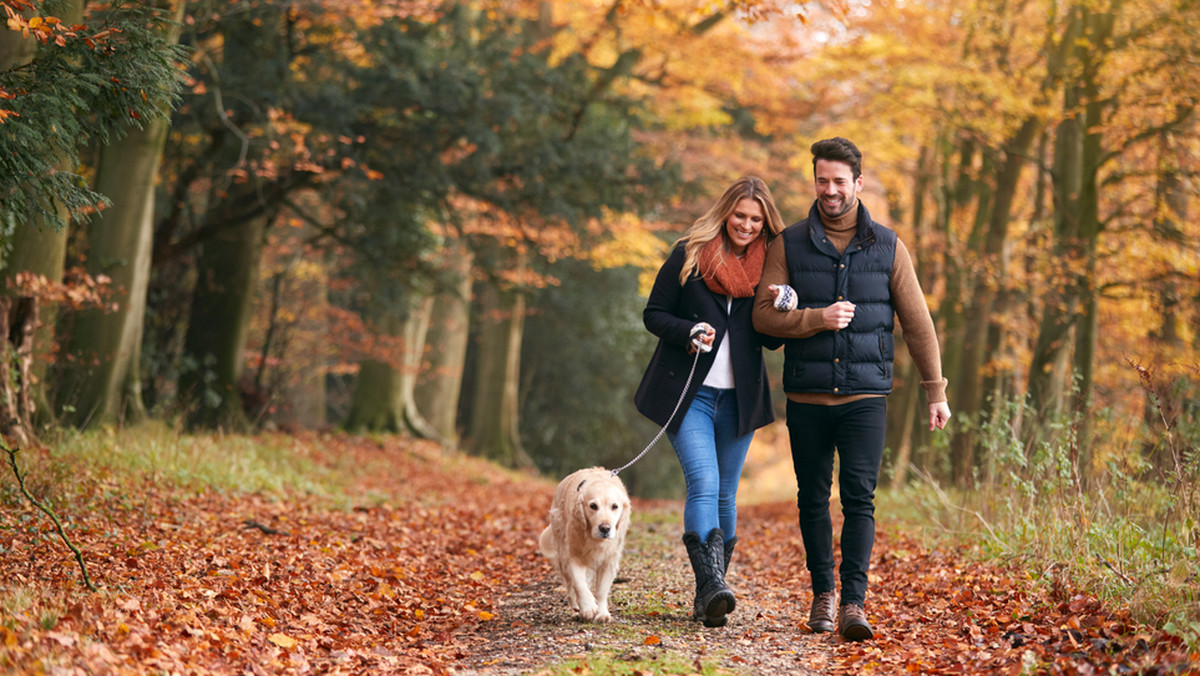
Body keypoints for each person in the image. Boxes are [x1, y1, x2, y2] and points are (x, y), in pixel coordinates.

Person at [752, 138, 951, 642]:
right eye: (823, 180)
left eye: (840, 181)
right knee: (813, 499)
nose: (831, 190)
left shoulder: (888, 247)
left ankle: (854, 604)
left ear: (858, 184)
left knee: (860, 499)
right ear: (814, 181)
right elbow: (762, 317)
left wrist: (936, 391)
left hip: (865, 398)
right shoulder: (788, 244)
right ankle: (823, 595)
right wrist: (816, 319)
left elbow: (918, 323)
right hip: (807, 397)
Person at [634, 176, 786, 628]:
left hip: (740, 400)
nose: (746, 225)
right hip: (690, 394)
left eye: (756, 219)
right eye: (740, 215)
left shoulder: (771, 269)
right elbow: (654, 313)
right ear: (726, 212)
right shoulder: (690, 253)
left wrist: (782, 306)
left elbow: (773, 343)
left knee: (726, 493)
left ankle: (710, 592)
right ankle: (711, 587)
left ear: (765, 223)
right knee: (703, 481)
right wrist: (688, 332)